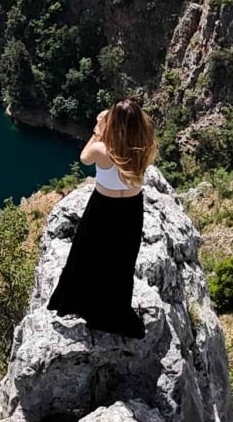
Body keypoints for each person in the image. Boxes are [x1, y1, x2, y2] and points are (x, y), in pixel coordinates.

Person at [46, 97, 158, 338]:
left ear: (112, 124)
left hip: (102, 208)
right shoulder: (146, 149)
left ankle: (78, 303)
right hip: (130, 211)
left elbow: (84, 158)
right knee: (120, 261)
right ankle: (114, 311)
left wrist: (98, 131)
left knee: (87, 256)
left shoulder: (102, 149)